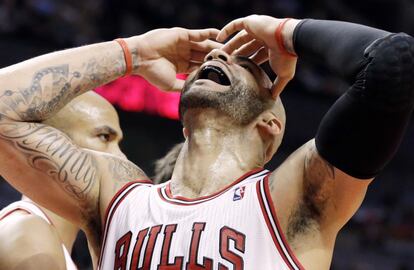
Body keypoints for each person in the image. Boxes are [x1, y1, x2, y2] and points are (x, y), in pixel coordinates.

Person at [0, 17, 412, 269]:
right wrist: (136, 52)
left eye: (247, 63)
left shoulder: (294, 195)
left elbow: (393, 63)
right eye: (211, 57)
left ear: (271, 124)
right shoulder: (116, 194)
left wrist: (286, 33)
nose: (219, 57)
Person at [0, 92, 125, 269]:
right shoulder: (29, 233)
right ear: (48, 145)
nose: (122, 158)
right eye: (104, 137)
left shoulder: (44, 237)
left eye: (118, 144)